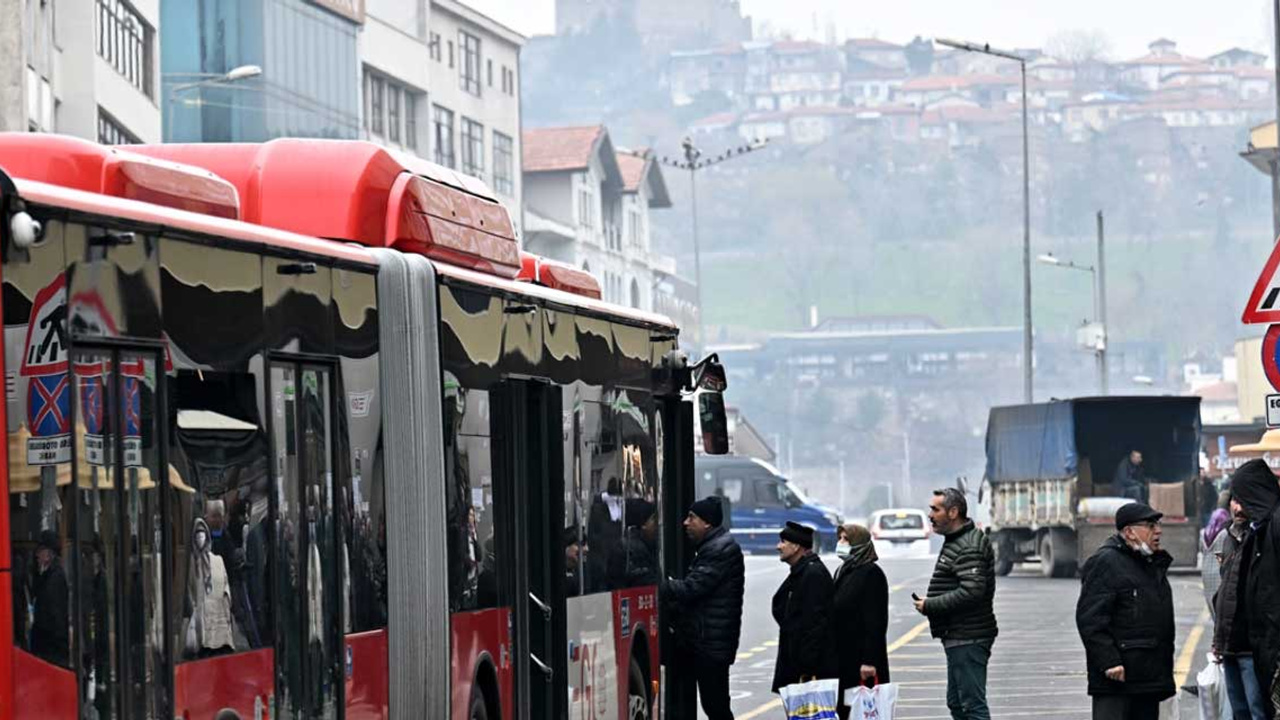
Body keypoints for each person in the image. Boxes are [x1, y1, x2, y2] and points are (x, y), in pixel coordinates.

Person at [1076, 502, 1175, 720]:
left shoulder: (1150, 563)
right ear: (1129, 532)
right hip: (1118, 679)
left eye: (1157, 525)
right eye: (1150, 525)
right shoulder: (1106, 562)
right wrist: (1108, 660)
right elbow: (1090, 618)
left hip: (1148, 677)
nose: (1158, 531)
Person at [915, 488, 997, 720]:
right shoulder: (957, 540)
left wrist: (931, 605)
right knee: (957, 703)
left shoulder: (968, 545)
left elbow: (972, 591)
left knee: (972, 705)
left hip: (968, 636)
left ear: (953, 512)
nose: (930, 515)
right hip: (959, 635)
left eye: (935, 509)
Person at [660, 497, 745, 720]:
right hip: (705, 641)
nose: (685, 523)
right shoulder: (714, 546)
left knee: (715, 706)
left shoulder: (719, 550)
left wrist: (661, 584)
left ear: (707, 523)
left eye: (692, 518)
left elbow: (692, 588)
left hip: (710, 644)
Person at [1214, 489, 1269, 720]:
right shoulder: (1227, 539)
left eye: (1244, 502)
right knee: (1239, 711)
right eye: (1235, 501)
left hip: (1251, 647)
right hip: (1229, 646)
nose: (1238, 509)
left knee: (1258, 711)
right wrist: (1218, 640)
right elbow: (1224, 594)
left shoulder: (1264, 538)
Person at [1232, 458, 1280, 719]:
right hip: (1267, 647)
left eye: (1244, 498)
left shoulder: (1275, 525)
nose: (1240, 507)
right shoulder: (1261, 530)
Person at [771, 521, 837, 695]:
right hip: (797, 663)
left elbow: (816, 623)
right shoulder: (801, 571)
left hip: (808, 669)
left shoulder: (813, 574)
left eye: (783, 542)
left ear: (796, 547)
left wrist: (807, 668)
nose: (778, 547)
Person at [832, 523, 890, 720]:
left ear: (859, 544)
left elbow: (875, 621)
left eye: (846, 539)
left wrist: (869, 660)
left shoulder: (871, 573)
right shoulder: (843, 570)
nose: (840, 543)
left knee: (861, 712)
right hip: (844, 658)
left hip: (861, 661)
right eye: (840, 538)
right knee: (846, 711)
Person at [29, 529, 69, 666]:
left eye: (40, 551)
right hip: (49, 649)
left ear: (48, 554)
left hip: (51, 651)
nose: (37, 555)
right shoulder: (48, 575)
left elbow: (53, 615)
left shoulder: (54, 578)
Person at [609, 499, 659, 588]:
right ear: (642, 524)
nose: (657, 525)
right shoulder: (632, 549)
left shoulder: (646, 544)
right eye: (653, 520)